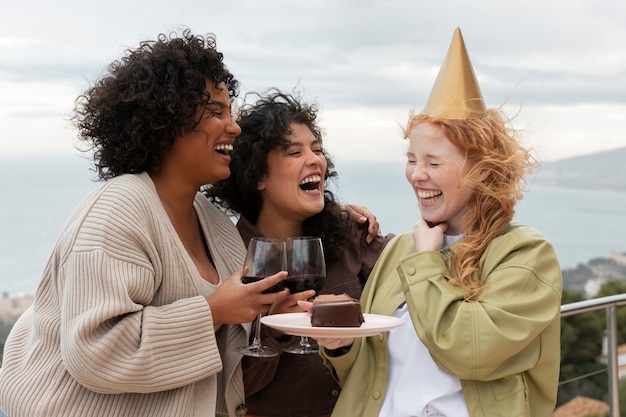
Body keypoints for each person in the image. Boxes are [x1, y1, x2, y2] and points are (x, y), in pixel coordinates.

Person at [0, 29, 290, 417]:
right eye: (217, 111)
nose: (234, 127)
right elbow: (96, 351)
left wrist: (266, 321)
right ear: (168, 119)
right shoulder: (119, 209)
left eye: (231, 112)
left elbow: (222, 377)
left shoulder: (217, 226)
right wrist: (215, 311)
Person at [309, 28, 563, 417]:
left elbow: (468, 353)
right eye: (411, 160)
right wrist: (341, 346)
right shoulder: (400, 249)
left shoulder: (526, 255)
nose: (416, 175)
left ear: (480, 168)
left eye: (433, 162)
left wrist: (428, 263)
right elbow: (369, 371)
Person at [205, 90, 394, 417]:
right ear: (258, 176)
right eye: (294, 152)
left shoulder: (353, 237)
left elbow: (410, 272)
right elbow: (230, 393)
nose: (316, 160)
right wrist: (273, 331)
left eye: (317, 149)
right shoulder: (227, 259)